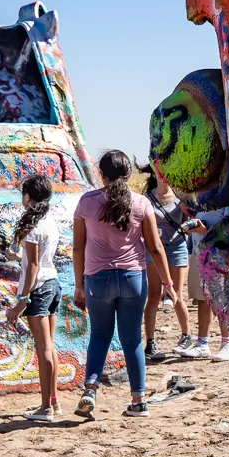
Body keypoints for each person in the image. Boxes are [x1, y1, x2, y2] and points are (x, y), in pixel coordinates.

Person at [73, 151, 176, 418]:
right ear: (128, 174)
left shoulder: (87, 202)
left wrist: (78, 285)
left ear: (101, 174)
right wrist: (168, 283)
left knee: (99, 336)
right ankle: (139, 401)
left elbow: (77, 247)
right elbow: (155, 247)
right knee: (131, 340)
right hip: (133, 278)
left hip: (97, 278)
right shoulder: (142, 203)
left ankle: (90, 390)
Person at [4, 174, 62, 422]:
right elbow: (38, 260)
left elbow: (33, 266)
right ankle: (53, 402)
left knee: (44, 348)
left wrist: (22, 299)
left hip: (38, 289)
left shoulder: (32, 226)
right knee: (50, 347)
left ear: (28, 197)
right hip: (53, 283)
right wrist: (19, 259)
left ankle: (44, 408)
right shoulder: (50, 220)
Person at [138, 164, 202, 361]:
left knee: (177, 295)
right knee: (154, 295)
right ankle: (150, 342)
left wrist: (188, 222)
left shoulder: (180, 198)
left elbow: (190, 222)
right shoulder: (145, 200)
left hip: (177, 248)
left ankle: (186, 336)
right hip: (153, 250)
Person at [187, 205, 229, 362]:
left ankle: (227, 344)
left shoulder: (226, 198)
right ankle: (202, 343)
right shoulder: (203, 198)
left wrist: (204, 229)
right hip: (199, 253)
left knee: (221, 300)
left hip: (219, 254)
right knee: (202, 299)